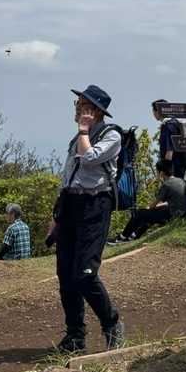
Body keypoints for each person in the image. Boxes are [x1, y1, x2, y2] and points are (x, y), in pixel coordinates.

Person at [46, 84, 125, 354]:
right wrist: (56, 216)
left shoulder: (111, 135)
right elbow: (68, 175)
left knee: (85, 274)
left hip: (95, 205)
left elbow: (90, 158)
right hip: (71, 205)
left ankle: (112, 324)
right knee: (66, 275)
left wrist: (83, 130)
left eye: (82, 105)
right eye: (78, 104)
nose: (77, 109)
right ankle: (75, 336)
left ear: (95, 111)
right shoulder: (78, 137)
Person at [115, 162, 186, 241]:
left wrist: (148, 208)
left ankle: (122, 237)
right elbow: (170, 202)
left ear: (161, 173)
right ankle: (134, 236)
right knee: (151, 214)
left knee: (140, 213)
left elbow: (155, 204)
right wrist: (155, 207)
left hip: (171, 215)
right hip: (182, 213)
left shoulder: (167, 184)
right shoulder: (181, 181)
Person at [153, 101, 186, 179]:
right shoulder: (175, 122)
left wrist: (165, 171)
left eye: (153, 111)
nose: (153, 114)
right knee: (179, 184)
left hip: (175, 165)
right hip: (182, 162)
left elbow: (169, 151)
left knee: (174, 185)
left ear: (157, 111)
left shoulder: (168, 126)